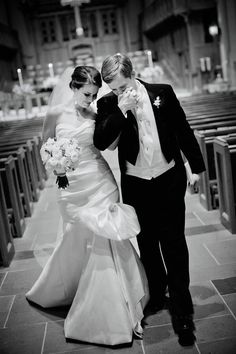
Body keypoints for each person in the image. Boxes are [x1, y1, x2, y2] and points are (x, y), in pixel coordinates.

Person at [26, 66, 149, 346]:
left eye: (94, 95)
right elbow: (45, 145)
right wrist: (55, 165)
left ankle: (112, 308)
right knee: (77, 238)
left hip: (99, 182)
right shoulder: (57, 114)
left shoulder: (96, 113)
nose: (89, 100)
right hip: (70, 187)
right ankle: (72, 286)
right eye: (85, 94)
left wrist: (123, 114)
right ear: (72, 87)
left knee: (104, 239)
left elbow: (109, 144)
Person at [93, 53, 206, 347]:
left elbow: (183, 130)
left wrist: (197, 166)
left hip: (168, 179)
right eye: (113, 88)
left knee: (174, 244)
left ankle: (183, 312)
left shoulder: (162, 93)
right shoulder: (108, 103)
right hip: (136, 184)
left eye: (122, 86)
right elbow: (101, 142)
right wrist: (120, 108)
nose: (118, 92)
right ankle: (156, 294)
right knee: (147, 243)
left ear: (133, 74)